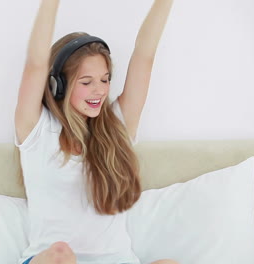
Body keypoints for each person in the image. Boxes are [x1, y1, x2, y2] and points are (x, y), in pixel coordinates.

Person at [14, 0, 176, 263]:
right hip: (55, 261)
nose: (100, 90)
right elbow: (35, 64)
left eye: (104, 79)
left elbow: (145, 56)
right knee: (60, 254)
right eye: (87, 82)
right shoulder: (37, 130)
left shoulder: (117, 126)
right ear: (58, 86)